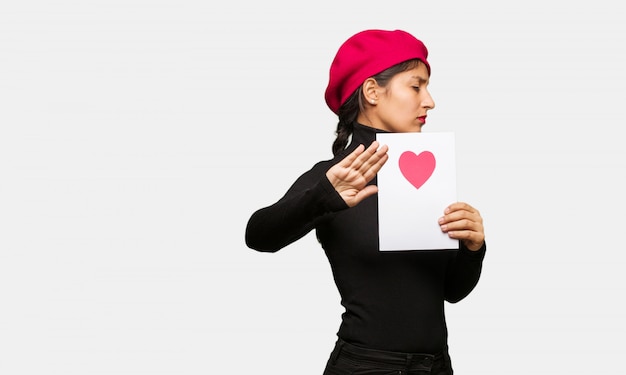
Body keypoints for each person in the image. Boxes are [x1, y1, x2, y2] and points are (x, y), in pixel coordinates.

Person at [245, 29, 486, 375]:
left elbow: (451, 292)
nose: (429, 101)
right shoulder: (332, 177)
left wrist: (473, 248)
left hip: (437, 366)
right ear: (373, 91)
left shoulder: (431, 175)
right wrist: (323, 198)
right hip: (366, 366)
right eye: (416, 86)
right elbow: (258, 235)